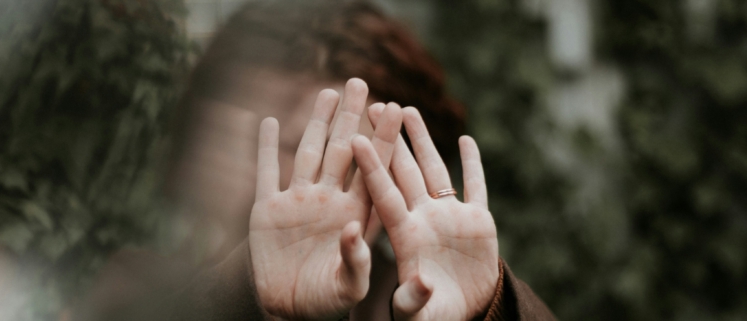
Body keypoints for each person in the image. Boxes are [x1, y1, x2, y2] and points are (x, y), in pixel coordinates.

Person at [77, 1, 555, 320]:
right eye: (290, 146)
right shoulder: (131, 292)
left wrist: (491, 311)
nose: (327, 189)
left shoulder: (431, 302)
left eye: (358, 160)